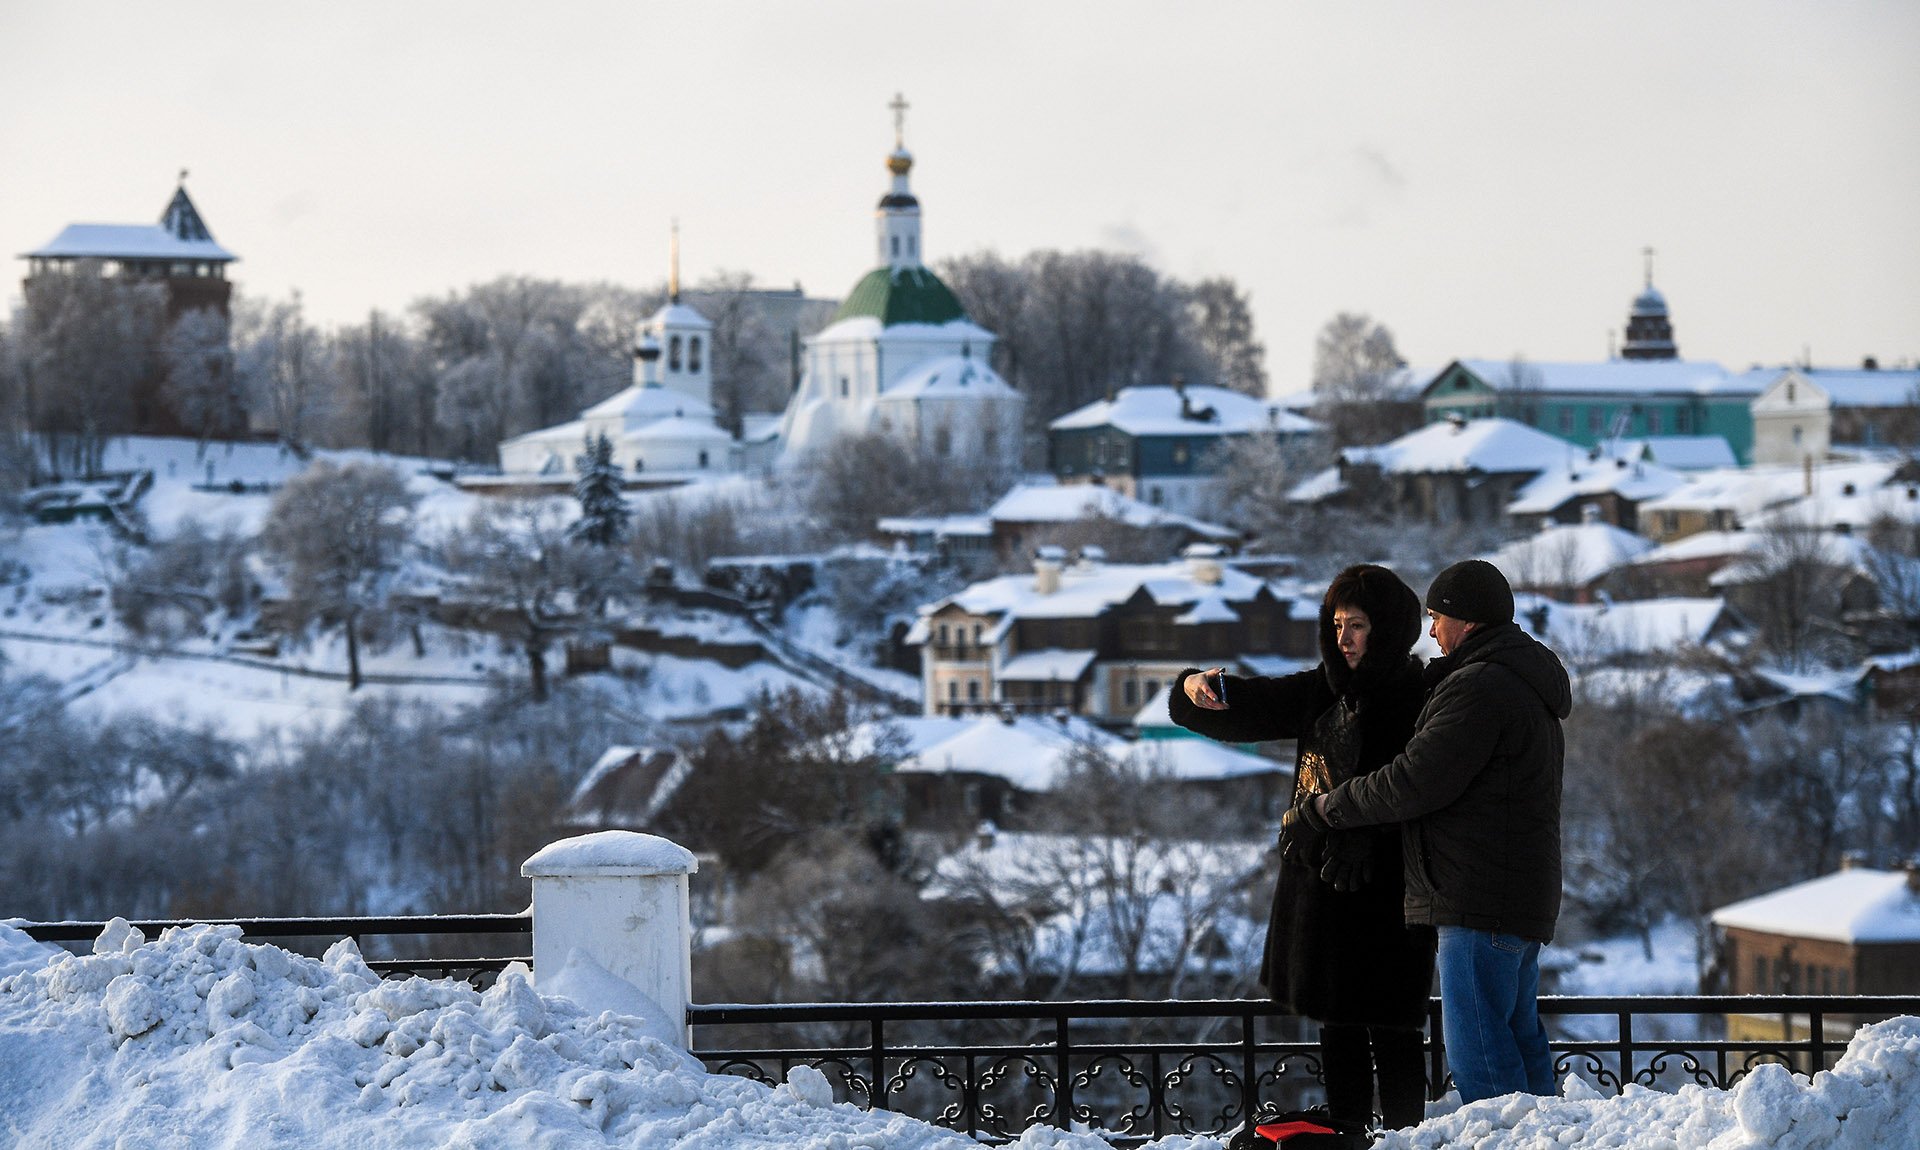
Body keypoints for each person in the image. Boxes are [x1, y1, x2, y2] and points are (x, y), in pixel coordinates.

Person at [1292, 558, 1570, 1105]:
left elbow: (1414, 780)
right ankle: (1547, 1137)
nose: (1433, 631)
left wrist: (1324, 808)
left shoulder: (1480, 687)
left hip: (1477, 897)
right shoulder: (1519, 679)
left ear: (1467, 621)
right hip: (1513, 894)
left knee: (1483, 1060)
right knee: (1519, 1044)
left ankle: (1507, 1141)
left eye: (1437, 617)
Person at [1168, 564, 1436, 1131]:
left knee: (1393, 1031)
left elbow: (1421, 791)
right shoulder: (1322, 689)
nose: (1344, 639)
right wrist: (1194, 687)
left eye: (1357, 625)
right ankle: (1349, 1138)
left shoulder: (1420, 698)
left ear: (1388, 628)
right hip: (1323, 891)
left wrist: (1368, 837)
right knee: (1338, 1025)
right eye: (1337, 625)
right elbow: (1248, 704)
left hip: (1390, 893)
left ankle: (1407, 1140)